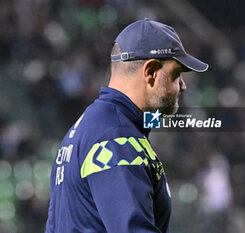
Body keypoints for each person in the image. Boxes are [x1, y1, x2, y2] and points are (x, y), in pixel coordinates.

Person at [45, 18, 208, 233]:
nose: (183, 86)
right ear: (150, 73)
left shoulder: (86, 127)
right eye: (176, 75)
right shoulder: (117, 140)